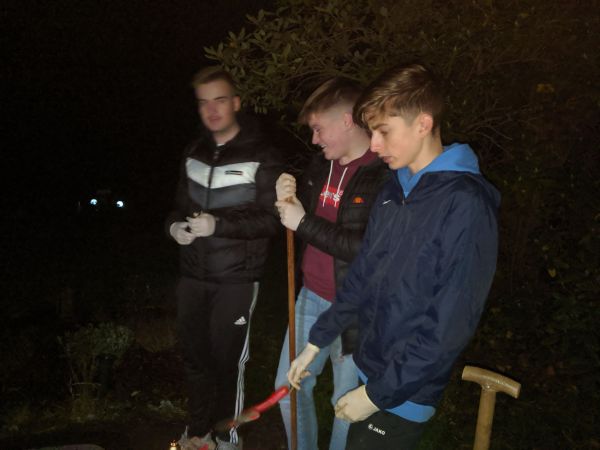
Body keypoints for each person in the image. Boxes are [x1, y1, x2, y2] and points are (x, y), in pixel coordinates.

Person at [287, 63, 501, 450]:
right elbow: (363, 274)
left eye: (383, 131)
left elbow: (450, 323)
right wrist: (318, 340)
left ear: (423, 124)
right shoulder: (393, 190)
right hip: (370, 368)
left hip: (407, 390)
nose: (373, 145)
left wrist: (376, 395)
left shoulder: (465, 204)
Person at [166, 66, 283, 450]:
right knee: (195, 359)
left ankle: (226, 437)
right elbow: (177, 207)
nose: (211, 110)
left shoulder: (262, 155)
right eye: (203, 102)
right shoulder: (193, 152)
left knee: (228, 363)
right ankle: (198, 432)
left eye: (219, 100)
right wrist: (173, 228)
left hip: (236, 279)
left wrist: (218, 225)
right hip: (192, 276)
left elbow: (271, 220)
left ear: (236, 102)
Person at [274, 77, 390, 450]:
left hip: (355, 308)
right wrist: (287, 197)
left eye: (318, 128)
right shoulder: (320, 166)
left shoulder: (382, 174)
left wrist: (303, 222)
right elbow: (302, 217)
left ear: (346, 120)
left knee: (345, 403)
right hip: (310, 296)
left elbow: (366, 248)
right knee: (287, 389)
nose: (314, 139)